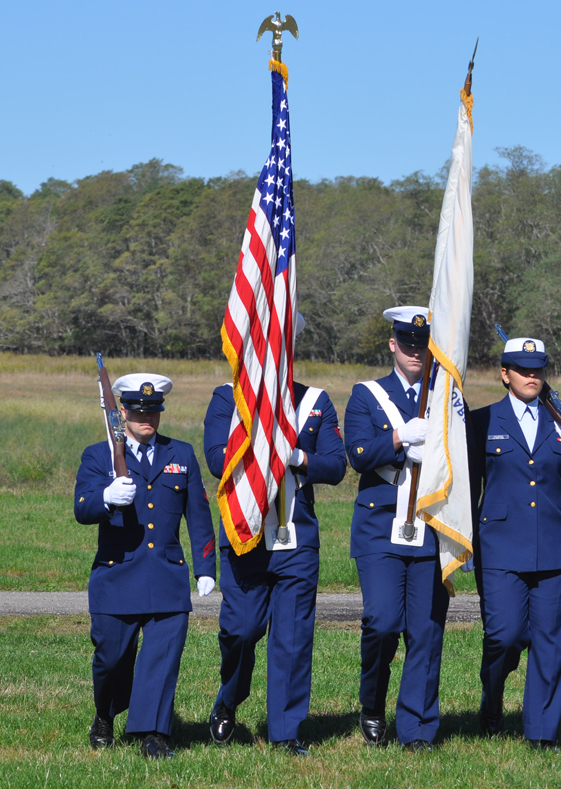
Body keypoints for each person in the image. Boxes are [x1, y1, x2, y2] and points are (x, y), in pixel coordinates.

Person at [203, 315, 346, 756]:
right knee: (242, 630)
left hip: (296, 539)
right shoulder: (228, 398)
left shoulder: (316, 402)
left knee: (293, 638)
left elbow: (336, 465)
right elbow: (214, 457)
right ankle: (229, 699)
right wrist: (260, 442)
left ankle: (286, 731)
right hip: (245, 534)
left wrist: (298, 454)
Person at [469, 337, 561, 749]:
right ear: (504, 374)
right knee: (504, 635)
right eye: (522, 369)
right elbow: (468, 487)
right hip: (499, 548)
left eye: (537, 370)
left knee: (552, 642)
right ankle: (492, 697)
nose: (531, 376)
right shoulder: (481, 422)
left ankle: (542, 733)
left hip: (556, 547)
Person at [75, 373, 217, 759]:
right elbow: (82, 509)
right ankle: (105, 713)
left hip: (166, 575)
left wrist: (206, 567)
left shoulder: (181, 454)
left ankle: (154, 735)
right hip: (116, 575)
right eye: (138, 412)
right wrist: (105, 497)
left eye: (154, 411)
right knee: (111, 658)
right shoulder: (98, 454)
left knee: (160, 660)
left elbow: (199, 516)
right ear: (122, 411)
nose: (147, 419)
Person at [343, 306, 449, 751]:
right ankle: (372, 703)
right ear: (392, 345)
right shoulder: (367, 394)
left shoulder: (444, 395)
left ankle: (418, 729)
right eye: (406, 345)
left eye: (421, 346)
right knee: (382, 622)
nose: (414, 354)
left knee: (425, 629)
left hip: (429, 521)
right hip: (380, 523)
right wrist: (400, 438)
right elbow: (358, 454)